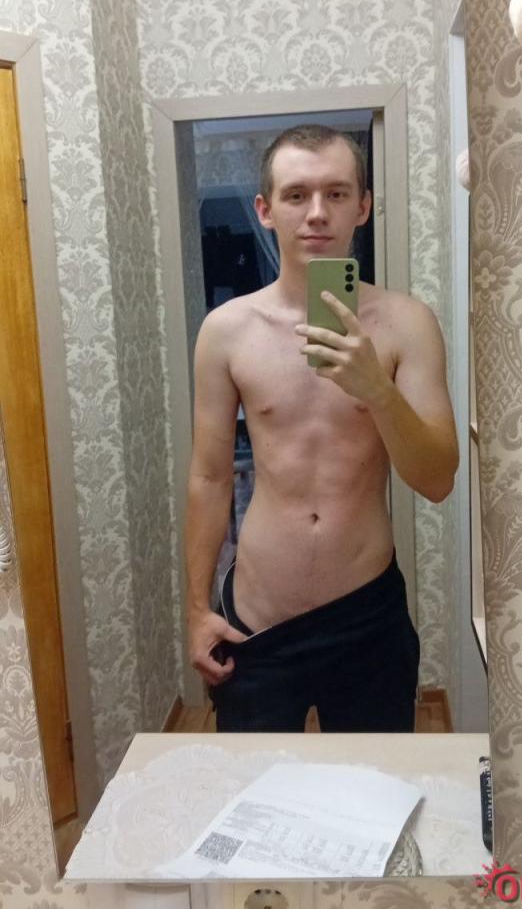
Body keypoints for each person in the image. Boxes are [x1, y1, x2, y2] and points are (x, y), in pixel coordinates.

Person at [186, 124, 459, 733]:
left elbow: (438, 479)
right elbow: (209, 478)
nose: (316, 213)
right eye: (296, 195)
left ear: (363, 206)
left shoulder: (406, 324)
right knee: (258, 786)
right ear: (265, 210)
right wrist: (196, 609)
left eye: (336, 193)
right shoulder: (227, 331)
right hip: (256, 620)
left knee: (372, 785)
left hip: (367, 619)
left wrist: (376, 390)